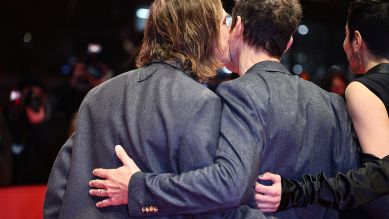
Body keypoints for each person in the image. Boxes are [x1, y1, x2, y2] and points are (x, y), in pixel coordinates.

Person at [89, 0, 361, 218]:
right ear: (289, 43)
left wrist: (138, 187)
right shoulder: (334, 104)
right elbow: (350, 190)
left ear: (238, 27)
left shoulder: (232, 94)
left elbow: (221, 188)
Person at [44, 0, 264, 218]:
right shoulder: (201, 103)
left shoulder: (97, 95)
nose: (230, 29)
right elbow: (210, 204)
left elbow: (58, 192)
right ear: (202, 31)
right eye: (223, 21)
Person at [255, 0, 389, 218]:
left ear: (356, 41)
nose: (343, 45)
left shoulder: (362, 89)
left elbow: (380, 181)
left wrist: (296, 192)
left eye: (345, 36)